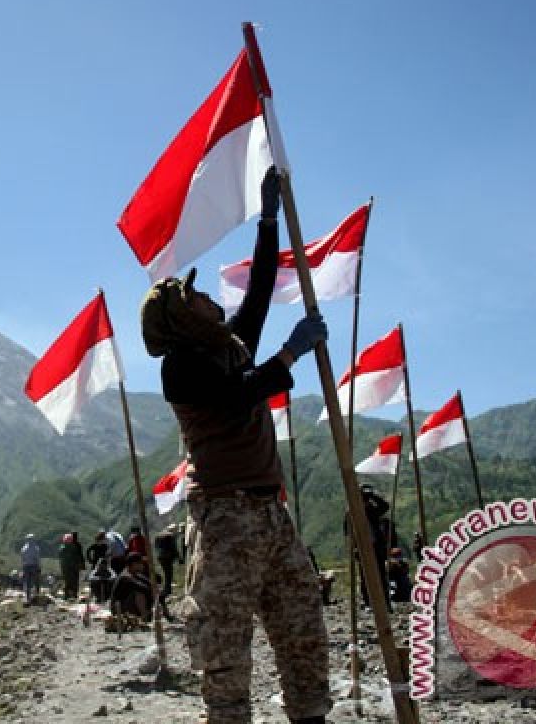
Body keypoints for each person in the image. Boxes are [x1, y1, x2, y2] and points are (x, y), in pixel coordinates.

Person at [140, 167, 331, 724]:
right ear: (179, 320)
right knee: (225, 652)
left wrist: (268, 219)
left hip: (272, 512)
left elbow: (263, 288)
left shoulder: (230, 345)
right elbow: (237, 396)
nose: (206, 296)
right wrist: (291, 355)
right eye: (194, 295)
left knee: (302, 629)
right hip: (224, 518)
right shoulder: (181, 368)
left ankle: (311, 714)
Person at [112, 552, 156, 621]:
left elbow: (151, 585)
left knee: (151, 591)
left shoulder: (135, 574)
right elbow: (144, 588)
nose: (142, 566)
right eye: (140, 563)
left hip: (129, 606)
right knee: (139, 593)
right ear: (134, 564)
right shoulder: (125, 577)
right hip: (119, 610)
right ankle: (145, 618)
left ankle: (147, 616)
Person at [154, 524, 183, 600]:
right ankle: (167, 590)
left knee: (166, 572)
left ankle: (167, 589)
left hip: (160, 557)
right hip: (168, 557)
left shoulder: (159, 535)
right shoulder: (170, 536)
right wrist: (179, 558)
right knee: (169, 573)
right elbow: (174, 548)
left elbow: (156, 546)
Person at [58, 532, 86, 600]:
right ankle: (74, 595)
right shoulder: (75, 546)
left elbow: (60, 557)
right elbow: (79, 556)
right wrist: (82, 565)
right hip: (74, 567)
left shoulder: (62, 547)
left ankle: (67, 595)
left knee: (67, 581)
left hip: (65, 567)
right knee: (74, 581)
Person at [20, 533, 42, 603]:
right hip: (34, 566)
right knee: (36, 581)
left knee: (27, 582)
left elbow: (22, 559)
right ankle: (37, 595)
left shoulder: (23, 548)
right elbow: (37, 559)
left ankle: (28, 597)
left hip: (26, 566)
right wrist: (39, 566)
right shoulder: (36, 548)